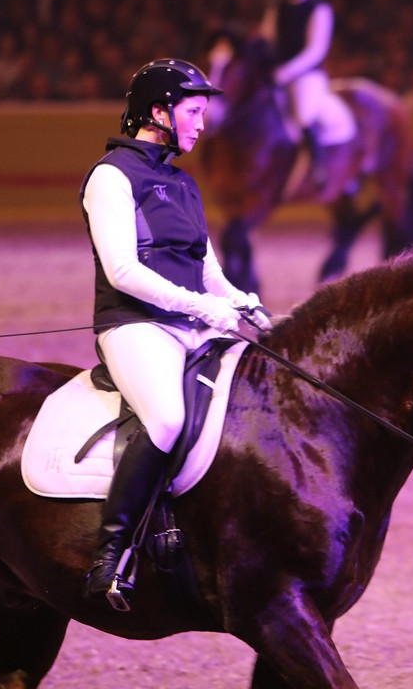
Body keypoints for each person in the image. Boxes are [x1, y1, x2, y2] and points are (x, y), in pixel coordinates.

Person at [80, 58, 270, 610]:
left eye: (204, 113)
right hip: (135, 326)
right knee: (166, 417)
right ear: (159, 111)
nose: (202, 125)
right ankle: (110, 554)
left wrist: (245, 304)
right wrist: (203, 309)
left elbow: (209, 271)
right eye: (194, 112)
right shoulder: (112, 176)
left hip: (191, 324)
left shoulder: (183, 183)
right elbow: (122, 271)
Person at [260, 0, 335, 180]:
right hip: (276, 72)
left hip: (307, 75)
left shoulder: (319, 8)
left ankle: (318, 163)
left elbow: (316, 50)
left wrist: (287, 70)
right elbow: (267, 37)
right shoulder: (278, 6)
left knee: (303, 112)